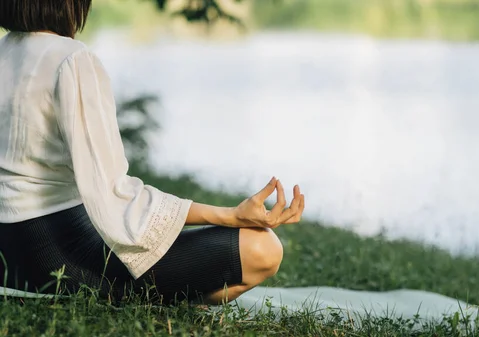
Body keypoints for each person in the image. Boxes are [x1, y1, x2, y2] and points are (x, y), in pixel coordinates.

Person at [0, 0, 305, 304]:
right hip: (53, 254)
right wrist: (231, 215)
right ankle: (157, 304)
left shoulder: (4, 50)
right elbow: (114, 196)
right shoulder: (71, 60)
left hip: (7, 256)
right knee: (263, 249)